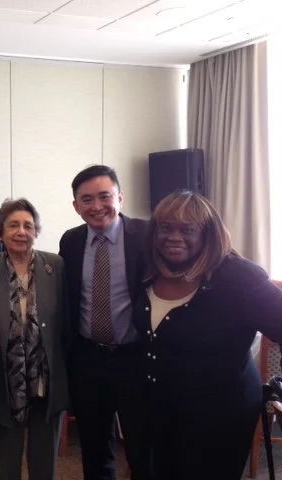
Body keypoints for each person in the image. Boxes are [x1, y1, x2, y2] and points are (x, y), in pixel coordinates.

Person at [135, 190, 282, 479]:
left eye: (187, 229)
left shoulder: (240, 279)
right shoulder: (148, 269)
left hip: (219, 414)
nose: (174, 237)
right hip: (161, 406)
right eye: (166, 228)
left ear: (208, 233)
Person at [58, 165, 152, 480]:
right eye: (87, 199)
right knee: (94, 448)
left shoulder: (146, 235)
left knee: (142, 447)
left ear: (120, 198)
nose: (96, 206)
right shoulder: (71, 241)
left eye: (104, 196)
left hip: (135, 358)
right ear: (76, 206)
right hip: (88, 359)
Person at [0, 198, 69, 480]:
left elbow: (66, 321)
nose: (21, 232)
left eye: (28, 226)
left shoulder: (56, 266)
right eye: (13, 225)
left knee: (44, 459)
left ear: (36, 231)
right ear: (0, 232)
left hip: (46, 376)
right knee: (6, 458)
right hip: (5, 379)